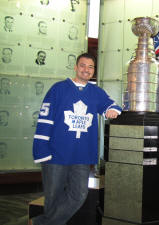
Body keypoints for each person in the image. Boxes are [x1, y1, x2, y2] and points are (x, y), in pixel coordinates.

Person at [30, 53, 121, 225]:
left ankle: (42, 223)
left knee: (79, 194)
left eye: (90, 67)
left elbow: (111, 105)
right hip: (56, 153)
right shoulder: (58, 89)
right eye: (83, 65)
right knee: (53, 196)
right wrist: (41, 148)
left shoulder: (96, 92)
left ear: (93, 70)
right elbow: (45, 119)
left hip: (82, 155)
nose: (86, 70)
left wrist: (113, 110)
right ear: (75, 67)